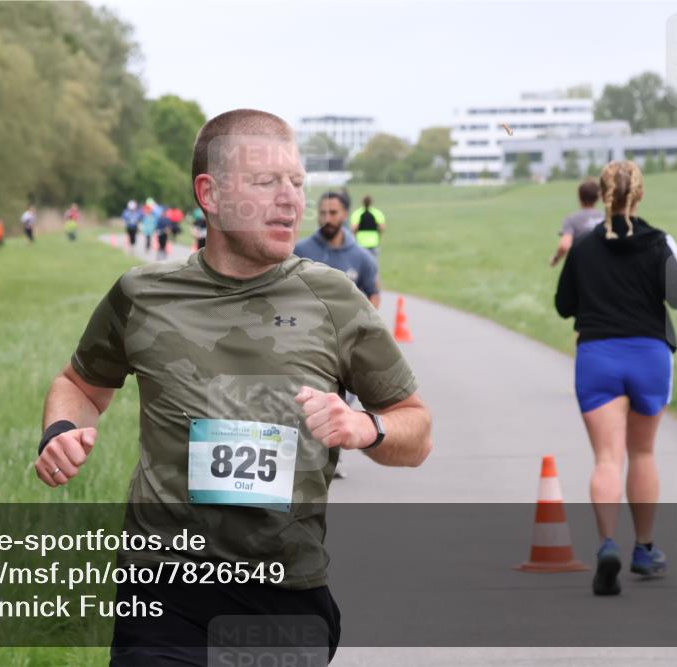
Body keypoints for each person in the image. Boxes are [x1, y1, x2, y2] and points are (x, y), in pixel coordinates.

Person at [35, 109, 432, 665]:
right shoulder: (141, 296)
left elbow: (416, 428)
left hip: (284, 593)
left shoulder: (335, 300)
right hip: (163, 588)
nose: (291, 200)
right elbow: (79, 384)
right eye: (266, 182)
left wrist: (368, 427)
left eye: (296, 182)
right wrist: (61, 429)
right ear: (211, 193)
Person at [555, 160, 677, 596]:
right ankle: (645, 548)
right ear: (640, 195)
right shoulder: (659, 242)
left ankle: (607, 546)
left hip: (597, 355)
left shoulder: (582, 245)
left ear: (601, 195)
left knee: (607, 459)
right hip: (649, 355)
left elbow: (564, 305)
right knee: (643, 453)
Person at [295, 191, 383, 479]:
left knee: (341, 400)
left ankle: (330, 452)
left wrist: (366, 333)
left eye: (333, 213)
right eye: (322, 213)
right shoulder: (301, 251)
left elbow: (373, 295)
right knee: (305, 397)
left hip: (347, 345)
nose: (326, 218)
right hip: (307, 341)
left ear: (345, 215)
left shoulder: (362, 258)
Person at [550, 178, 604, 266]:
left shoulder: (572, 219)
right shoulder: (606, 217)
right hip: (603, 266)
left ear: (579, 197)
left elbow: (564, 245)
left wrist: (555, 259)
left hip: (582, 266)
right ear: (598, 197)